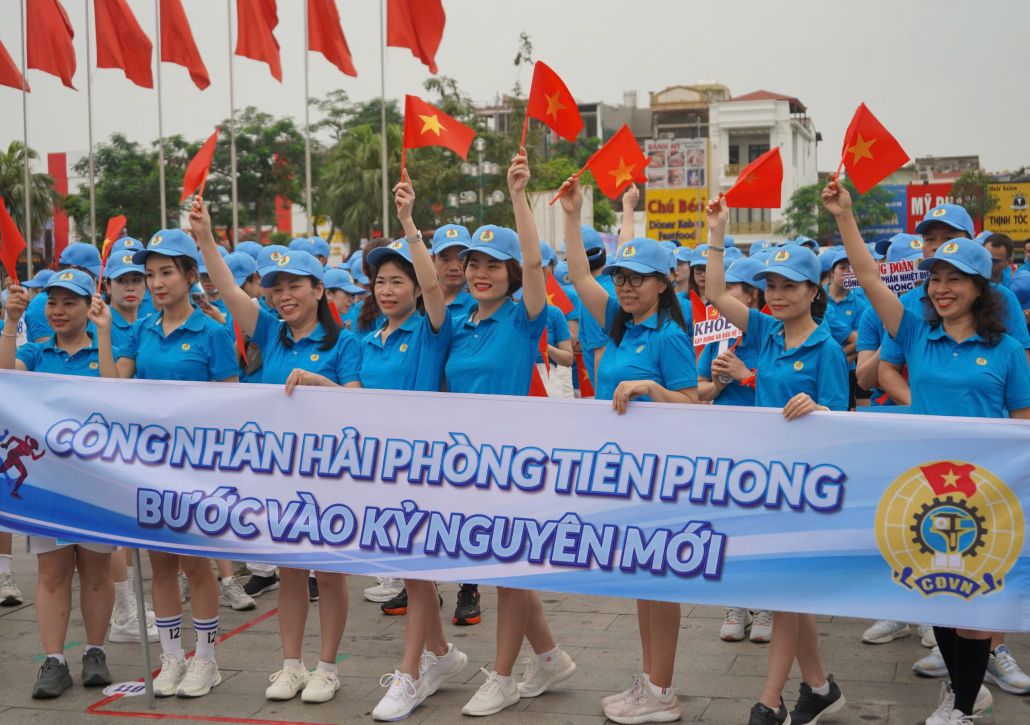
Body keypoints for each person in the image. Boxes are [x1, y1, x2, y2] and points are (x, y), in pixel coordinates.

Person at [825, 179, 1030, 725]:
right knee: (938, 597)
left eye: (954, 280)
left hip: (989, 495)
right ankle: (965, 695)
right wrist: (845, 214)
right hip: (929, 489)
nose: (941, 289)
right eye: (935, 279)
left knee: (978, 605)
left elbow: (1022, 428)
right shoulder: (916, 334)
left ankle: (961, 706)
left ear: (980, 288)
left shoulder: (1009, 351)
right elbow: (869, 277)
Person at [192, 197, 359, 704]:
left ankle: (327, 667)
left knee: (327, 573)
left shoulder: (345, 341)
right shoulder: (269, 331)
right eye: (276, 289)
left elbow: (358, 403)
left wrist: (317, 382)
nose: (284, 296)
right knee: (288, 569)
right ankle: (290, 665)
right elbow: (224, 287)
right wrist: (204, 239)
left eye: (294, 287)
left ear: (318, 289)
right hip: (280, 472)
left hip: (330, 474)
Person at [559, 174, 698, 724]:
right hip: (624, 475)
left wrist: (652, 390)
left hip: (663, 474)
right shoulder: (615, 326)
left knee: (660, 586)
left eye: (639, 278)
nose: (627, 286)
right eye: (620, 276)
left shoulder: (668, 336)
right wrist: (571, 215)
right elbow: (575, 272)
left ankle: (663, 692)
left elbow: (692, 404)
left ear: (663, 284)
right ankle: (649, 682)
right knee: (643, 584)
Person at [704, 195, 848, 725]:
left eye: (790, 285)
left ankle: (770, 702)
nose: (778, 294)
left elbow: (843, 420)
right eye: (772, 285)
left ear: (813, 291)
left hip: (806, 488)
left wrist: (821, 407)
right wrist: (718, 230)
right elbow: (717, 291)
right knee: (787, 592)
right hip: (763, 479)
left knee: (784, 589)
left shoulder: (827, 349)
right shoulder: (763, 330)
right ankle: (819, 686)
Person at [452, 150, 575, 718]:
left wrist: (519, 195)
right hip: (463, 461)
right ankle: (548, 657)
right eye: (474, 264)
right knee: (506, 567)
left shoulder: (524, 318)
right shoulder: (458, 319)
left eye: (493, 266)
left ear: (510, 275)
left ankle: (500, 675)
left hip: (512, 460)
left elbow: (533, 259)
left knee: (505, 569)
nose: (481, 273)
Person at [110, 228, 240, 698]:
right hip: (148, 466)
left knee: (195, 562)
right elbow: (113, 388)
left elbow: (229, 403)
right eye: (149, 275)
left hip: (196, 467)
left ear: (189, 275)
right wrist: (106, 334)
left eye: (167, 272)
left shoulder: (213, 332)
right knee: (161, 563)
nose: (156, 283)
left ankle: (205, 660)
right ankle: (170, 658)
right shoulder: (140, 330)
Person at [360, 174, 470, 721]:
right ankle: (442, 655)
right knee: (412, 571)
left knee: (416, 565)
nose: (386, 290)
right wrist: (316, 387)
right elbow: (353, 399)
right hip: (379, 470)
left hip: (424, 467)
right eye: (379, 281)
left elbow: (434, 288)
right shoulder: (366, 340)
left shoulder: (430, 330)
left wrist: (408, 226)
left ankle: (409, 675)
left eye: (396, 280)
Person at [1, 271, 118, 698]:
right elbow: (3, 379)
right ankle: (54, 660)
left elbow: (115, 395)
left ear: (89, 306)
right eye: (52, 302)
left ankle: (94, 652)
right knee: (52, 573)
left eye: (70, 303)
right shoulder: (34, 352)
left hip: (95, 484)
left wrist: (104, 336)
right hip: (47, 485)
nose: (59, 311)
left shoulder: (105, 348)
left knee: (96, 570)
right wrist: (10, 323)